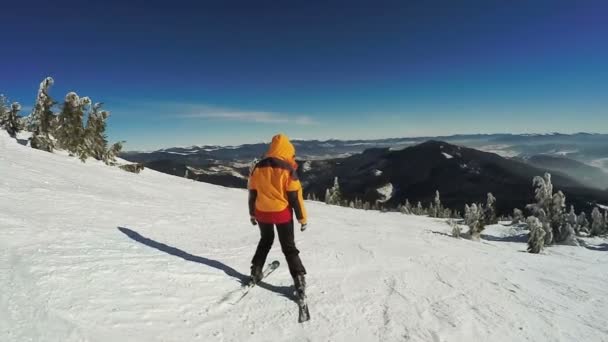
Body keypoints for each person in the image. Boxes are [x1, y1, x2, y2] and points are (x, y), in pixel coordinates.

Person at [248, 133, 308, 295]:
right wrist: (302, 218)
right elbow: (295, 198)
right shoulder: (288, 169)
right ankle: (299, 280)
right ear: (288, 150)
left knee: (265, 241)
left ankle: (256, 271)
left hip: (262, 213)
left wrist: (252, 214)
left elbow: (253, 193)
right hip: (282, 214)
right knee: (289, 248)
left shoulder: (258, 167)